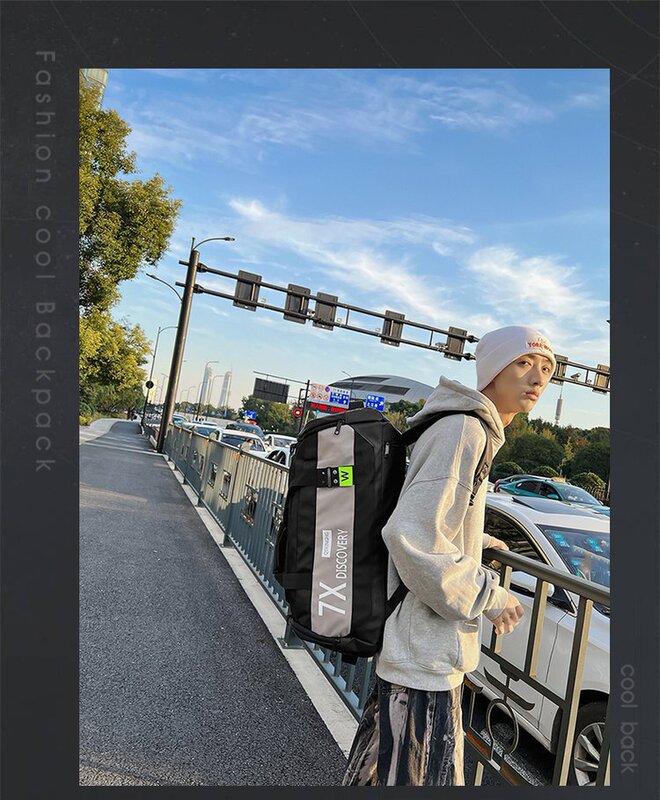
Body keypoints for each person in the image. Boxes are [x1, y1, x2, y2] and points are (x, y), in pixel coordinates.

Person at [342, 325, 556, 786]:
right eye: (523, 363)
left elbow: (429, 516)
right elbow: (411, 536)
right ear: (492, 370)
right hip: (424, 658)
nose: (537, 377)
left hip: (418, 652)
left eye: (546, 368)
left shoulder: (465, 427)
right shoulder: (464, 431)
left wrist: (475, 540)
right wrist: (491, 597)